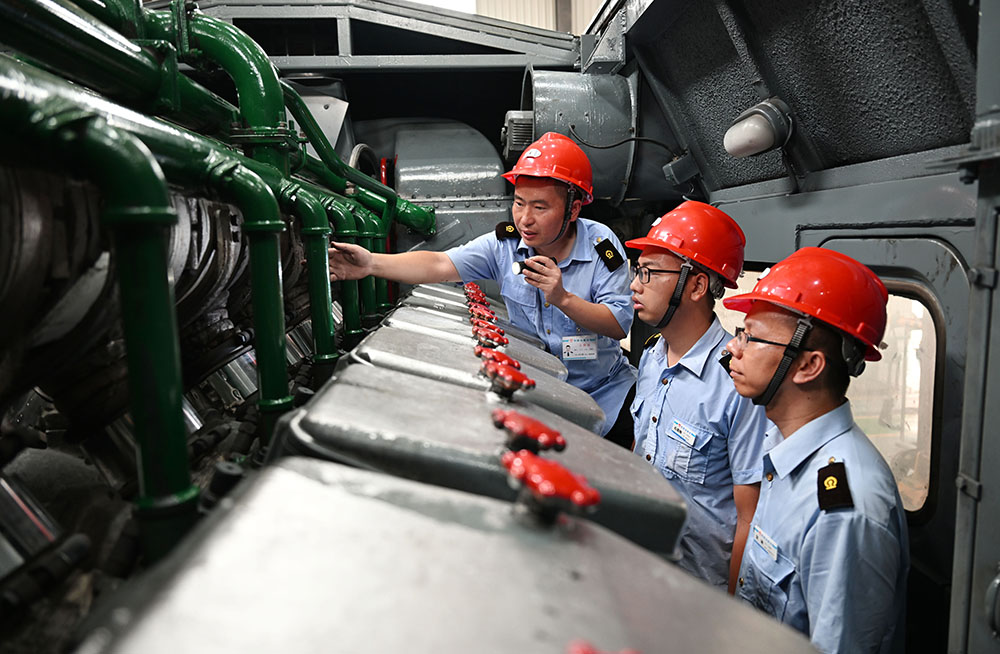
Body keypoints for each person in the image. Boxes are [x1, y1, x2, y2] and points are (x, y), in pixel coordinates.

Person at [327, 132, 636, 438]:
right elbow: (439, 264)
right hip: (540, 399)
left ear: (574, 209)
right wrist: (371, 264)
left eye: (540, 208)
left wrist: (563, 298)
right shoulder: (505, 245)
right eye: (519, 203)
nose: (525, 219)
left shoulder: (600, 246)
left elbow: (618, 324)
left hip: (603, 396)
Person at [722, 247, 908, 653]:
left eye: (751, 337)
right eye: (740, 332)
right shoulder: (781, 444)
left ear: (808, 366)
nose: (733, 348)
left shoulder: (845, 511)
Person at [624, 201, 769, 592]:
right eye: (638, 271)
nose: (635, 285)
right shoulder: (652, 356)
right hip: (642, 564)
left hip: (697, 589)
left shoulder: (736, 383)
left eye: (649, 273)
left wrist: (732, 608)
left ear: (696, 285)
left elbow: (749, 516)